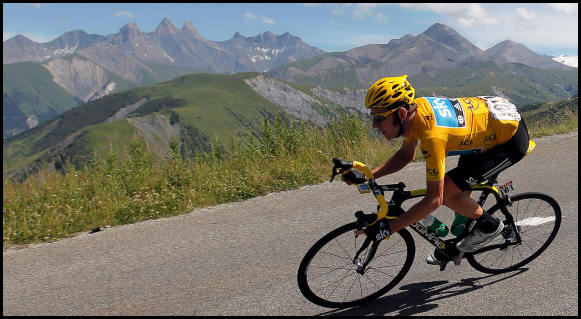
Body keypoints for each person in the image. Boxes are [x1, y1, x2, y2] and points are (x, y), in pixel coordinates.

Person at [342, 75, 530, 265]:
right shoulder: (415, 113)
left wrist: (388, 229)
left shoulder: (433, 138)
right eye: (373, 117)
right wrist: (368, 175)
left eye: (379, 118)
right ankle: (461, 235)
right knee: (458, 184)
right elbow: (405, 155)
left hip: (509, 141)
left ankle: (489, 226)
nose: (374, 125)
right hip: (486, 129)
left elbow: (434, 200)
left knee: (448, 194)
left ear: (401, 114)